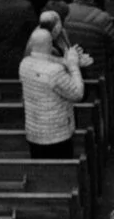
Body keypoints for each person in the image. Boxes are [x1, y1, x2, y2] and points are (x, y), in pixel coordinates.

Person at [19, 28, 84, 159]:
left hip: (34, 133)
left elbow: (46, 59)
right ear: (50, 45)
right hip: (57, 135)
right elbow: (77, 93)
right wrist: (73, 66)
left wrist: (66, 60)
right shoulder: (55, 72)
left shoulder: (24, 64)